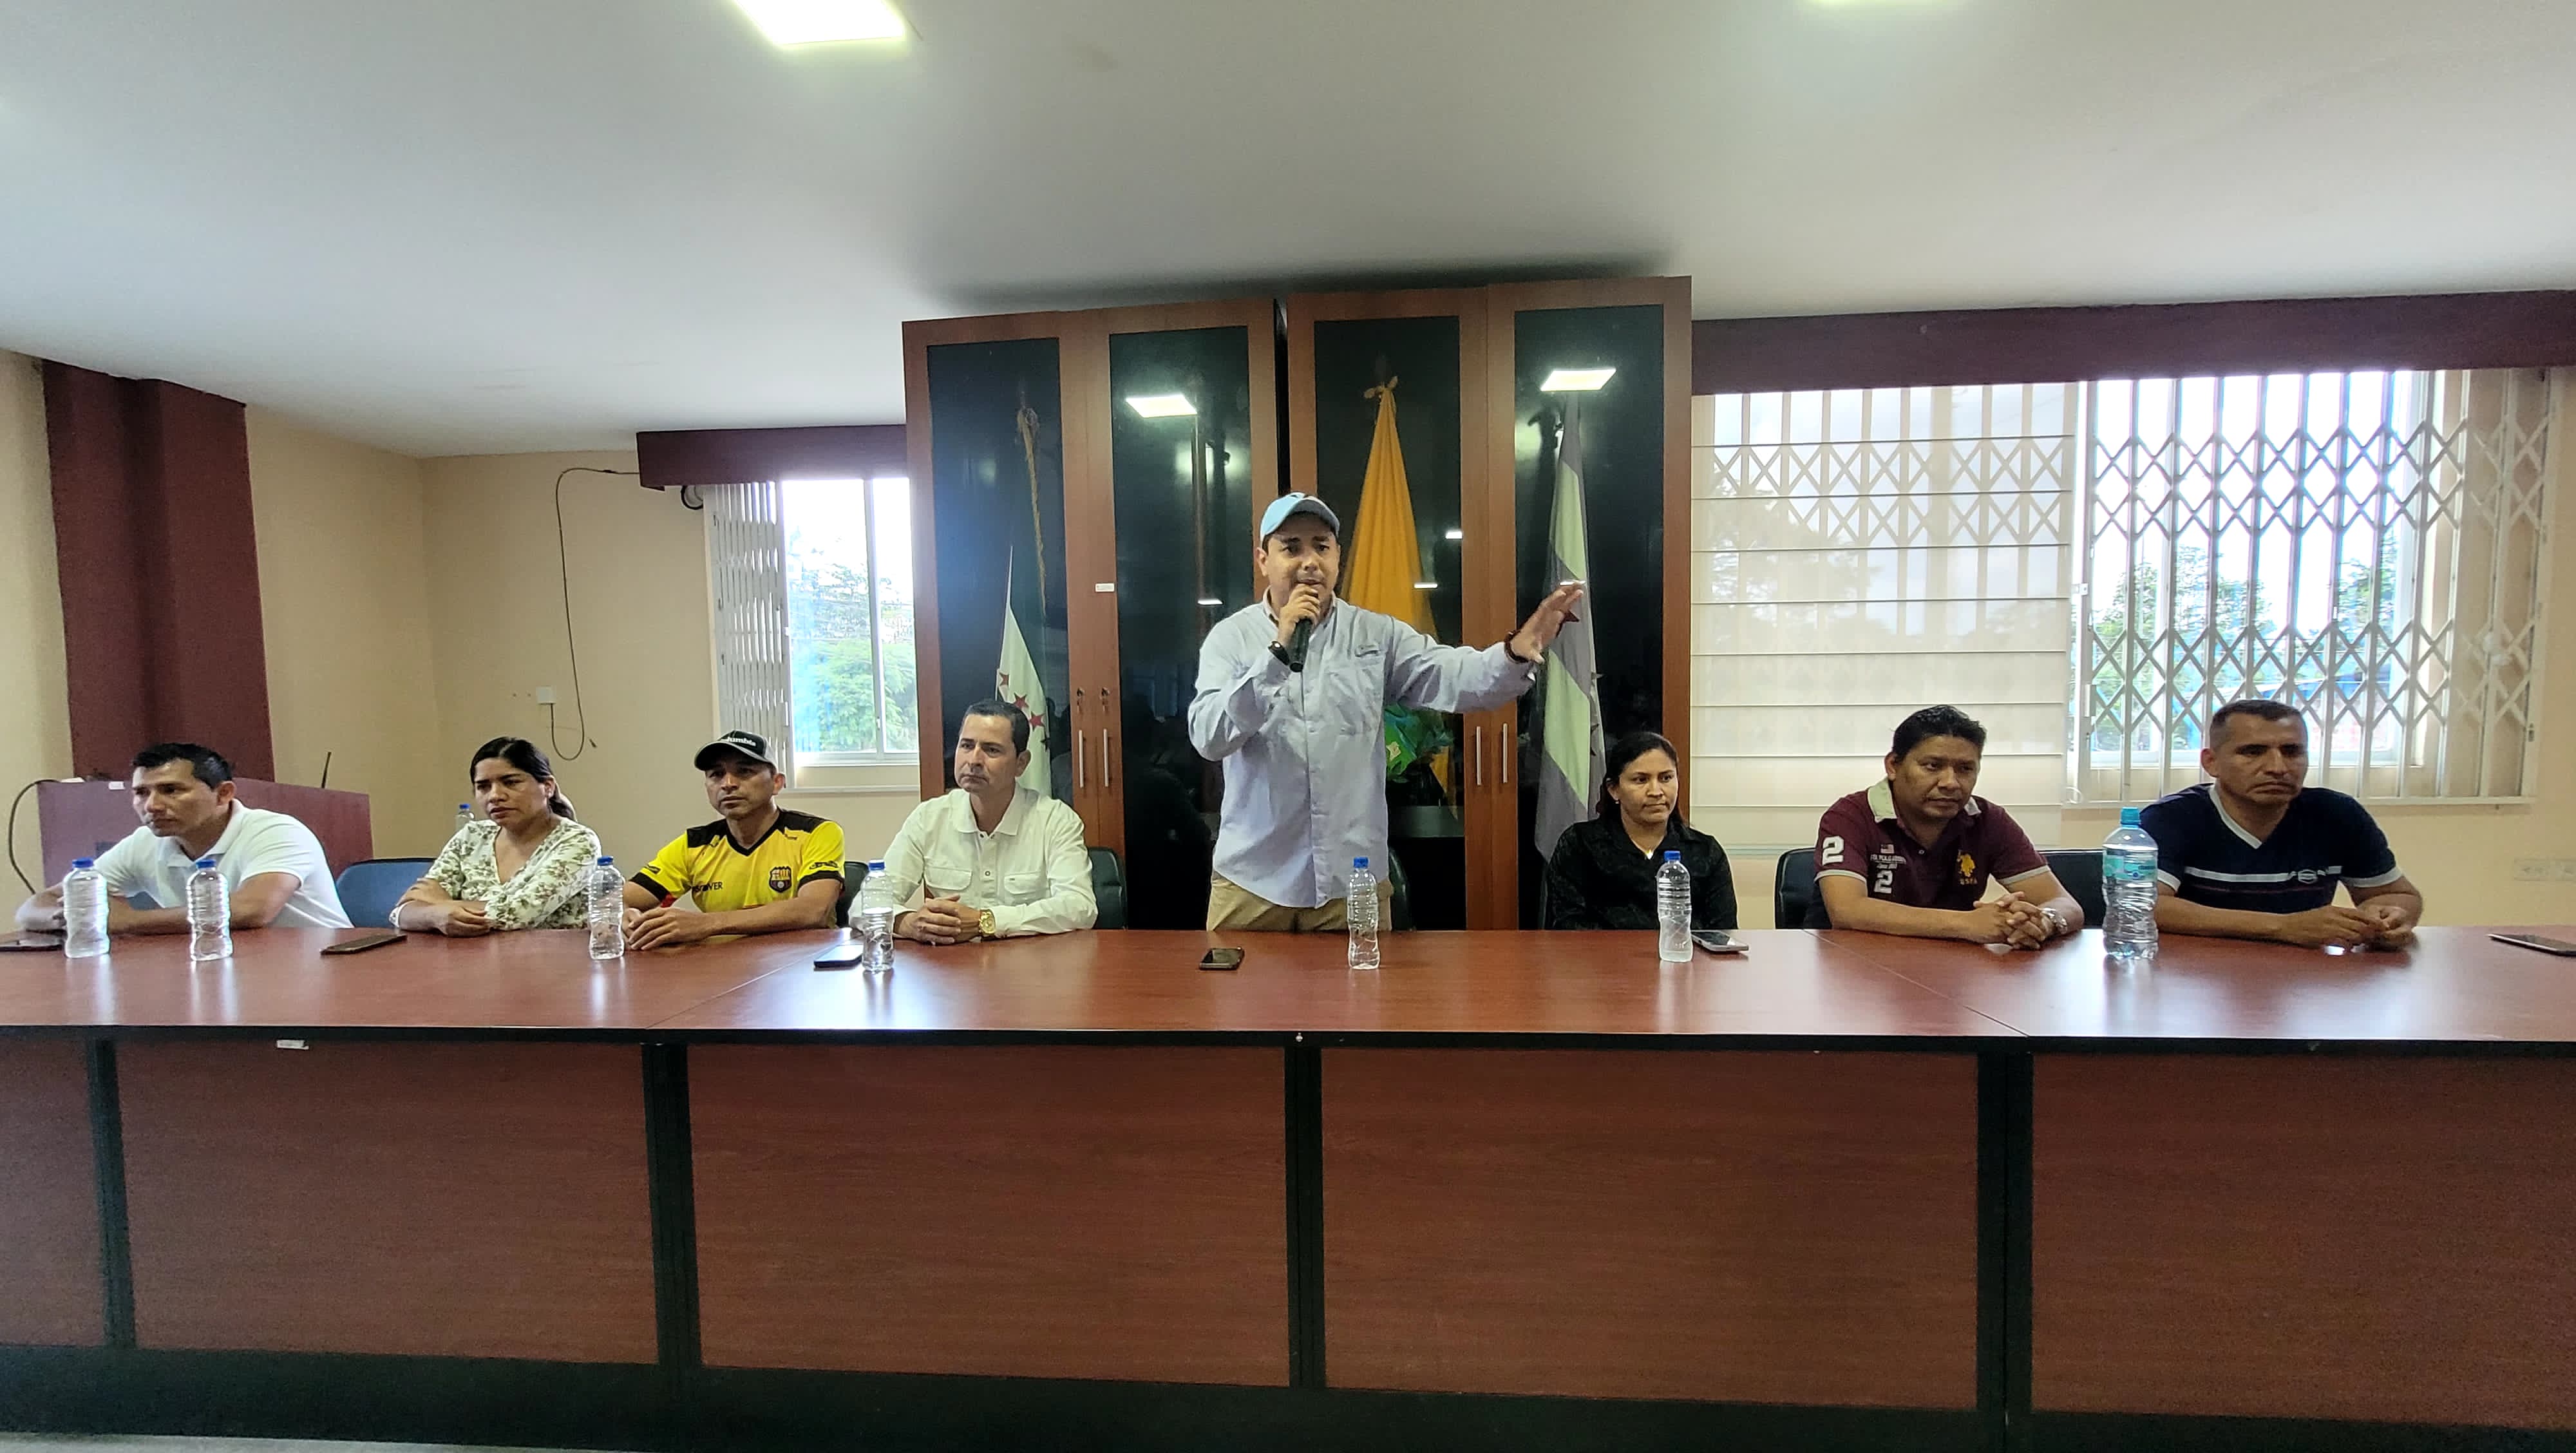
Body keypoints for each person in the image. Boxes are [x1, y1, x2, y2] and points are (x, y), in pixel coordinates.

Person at [1190, 492, 1584, 931]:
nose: (1309, 562)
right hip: (1252, 882)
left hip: (1352, 882)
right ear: (1264, 560)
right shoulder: (1231, 640)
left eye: (1321, 546)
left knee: (1364, 982)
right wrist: (1277, 656)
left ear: (1338, 557)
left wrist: (1515, 653)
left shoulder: (1375, 636)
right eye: (1292, 547)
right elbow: (1209, 737)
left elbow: (1454, 675)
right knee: (1236, 981)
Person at [2141, 698, 2422, 949]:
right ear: (2211, 762)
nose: (2278, 767)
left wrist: (2388, 916)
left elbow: (2397, 894)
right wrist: (2283, 927)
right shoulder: (2172, 817)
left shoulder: (2337, 815)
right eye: (2253, 752)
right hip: (2197, 975)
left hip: (2305, 978)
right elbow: (2145, 905)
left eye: (2292, 752)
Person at [12, 742, 350, 935]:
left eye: (171, 790)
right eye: (141, 793)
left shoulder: (276, 831)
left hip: (317, 967)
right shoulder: (144, 842)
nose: (152, 806)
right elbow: (35, 906)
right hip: (222, 967)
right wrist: (73, 916)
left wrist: (128, 921)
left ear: (223, 794)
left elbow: (252, 909)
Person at [1812, 707, 2081, 947]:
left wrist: (2042, 922)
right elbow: (1847, 910)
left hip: (1953, 969)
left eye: (1965, 769)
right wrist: (1967, 923)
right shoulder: (1851, 816)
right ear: (1893, 766)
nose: (1950, 783)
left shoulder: (1988, 819)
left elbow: (2066, 904)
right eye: (1932, 766)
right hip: (1857, 965)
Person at [875, 699, 1095, 944]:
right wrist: (908, 923)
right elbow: (868, 904)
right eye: (967, 746)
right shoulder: (929, 818)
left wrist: (986, 921)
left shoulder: (1055, 820)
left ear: (1021, 763)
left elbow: (1080, 907)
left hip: (1032, 961)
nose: (974, 760)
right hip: (952, 963)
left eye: (992, 750)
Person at [621, 730, 844, 949]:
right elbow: (624, 900)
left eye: (744, 771)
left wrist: (706, 924)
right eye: (716, 774)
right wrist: (625, 917)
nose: (728, 783)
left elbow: (814, 910)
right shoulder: (693, 845)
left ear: (777, 783)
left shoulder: (817, 832)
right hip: (720, 965)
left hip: (800, 962)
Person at [392, 737, 602, 934]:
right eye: (483, 787)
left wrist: (439, 906)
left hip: (551, 959)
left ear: (548, 787)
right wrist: (433, 915)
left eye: (511, 782)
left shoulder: (578, 841)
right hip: (468, 957)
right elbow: (402, 911)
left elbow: (516, 916)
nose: (495, 796)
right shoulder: (472, 837)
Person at [1543, 730, 1737, 931]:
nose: (1656, 792)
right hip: (1599, 952)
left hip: (1682, 952)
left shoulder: (1705, 851)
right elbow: (1566, 926)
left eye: (1666, 778)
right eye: (1641, 780)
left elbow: (1723, 934)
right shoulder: (1580, 845)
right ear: (1614, 789)